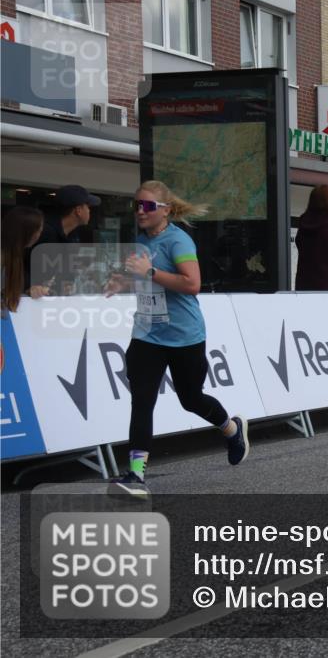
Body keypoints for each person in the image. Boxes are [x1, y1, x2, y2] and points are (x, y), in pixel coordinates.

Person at [103, 181, 249, 499]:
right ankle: (136, 476)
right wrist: (123, 282)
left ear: (165, 210)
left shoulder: (178, 241)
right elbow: (144, 283)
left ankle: (232, 429)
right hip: (147, 334)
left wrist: (150, 271)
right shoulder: (140, 240)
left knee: (190, 399)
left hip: (184, 336)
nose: (140, 211)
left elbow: (192, 283)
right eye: (137, 205)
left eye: (148, 206)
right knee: (142, 400)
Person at [2, 206, 50, 313]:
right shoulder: (5, 256)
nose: (39, 234)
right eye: (39, 230)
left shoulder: (14, 256)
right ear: (27, 232)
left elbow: (6, 293)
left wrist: (28, 292)